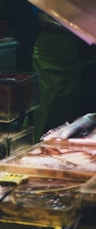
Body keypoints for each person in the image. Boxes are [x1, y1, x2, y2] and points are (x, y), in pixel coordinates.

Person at [32, 11, 84, 141]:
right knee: (46, 102)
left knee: (68, 100)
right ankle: (39, 142)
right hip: (48, 53)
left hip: (69, 53)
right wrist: (72, 29)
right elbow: (43, 21)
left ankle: (63, 142)